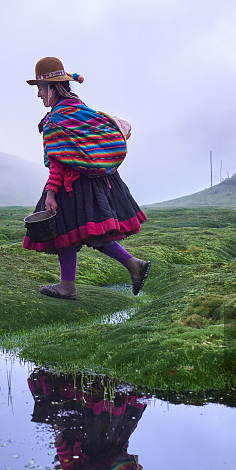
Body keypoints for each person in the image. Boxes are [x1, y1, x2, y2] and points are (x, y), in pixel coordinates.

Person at [23, 56, 150, 300]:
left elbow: (60, 160)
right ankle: (134, 265)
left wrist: (51, 192)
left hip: (72, 185)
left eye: (40, 88)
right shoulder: (83, 111)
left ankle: (67, 286)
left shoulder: (56, 120)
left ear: (51, 88)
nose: (38, 94)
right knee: (90, 233)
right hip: (99, 183)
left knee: (63, 232)